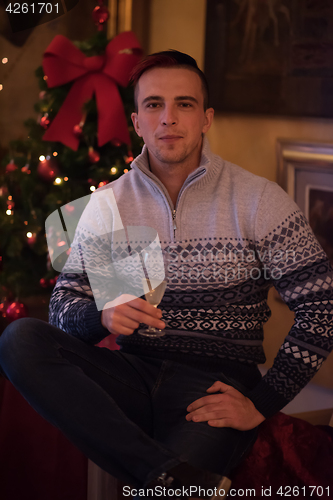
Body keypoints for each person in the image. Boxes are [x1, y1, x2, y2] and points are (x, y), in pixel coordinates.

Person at [0, 50, 332, 499]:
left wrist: (261, 403)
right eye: (154, 105)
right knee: (19, 339)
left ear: (206, 118)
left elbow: (321, 304)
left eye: (185, 104)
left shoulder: (258, 200)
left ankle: (163, 480)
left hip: (216, 385)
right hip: (132, 374)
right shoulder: (109, 204)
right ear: (137, 121)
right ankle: (165, 475)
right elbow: (62, 308)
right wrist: (102, 317)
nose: (168, 119)